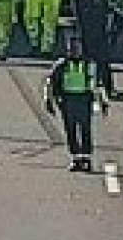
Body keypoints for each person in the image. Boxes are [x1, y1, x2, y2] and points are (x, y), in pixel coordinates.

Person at [43, 40, 106, 171]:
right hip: (67, 100)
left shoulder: (89, 64)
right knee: (70, 130)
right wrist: (48, 100)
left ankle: (86, 159)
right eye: (72, 49)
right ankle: (76, 159)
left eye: (77, 48)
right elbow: (50, 82)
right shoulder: (61, 65)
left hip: (84, 100)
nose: (75, 51)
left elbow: (97, 83)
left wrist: (102, 101)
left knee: (85, 130)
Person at [71, 0, 118, 98]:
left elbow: (108, 12)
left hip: (100, 34)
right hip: (85, 35)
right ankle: (85, 88)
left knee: (103, 63)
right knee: (84, 64)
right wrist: (78, 37)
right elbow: (78, 18)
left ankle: (108, 89)